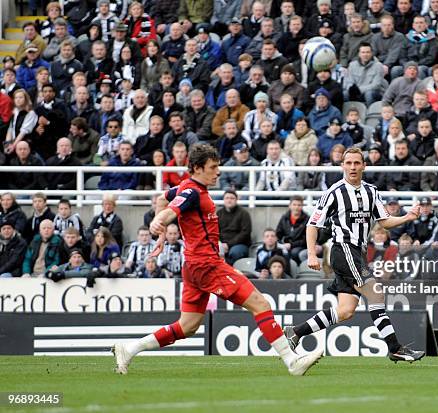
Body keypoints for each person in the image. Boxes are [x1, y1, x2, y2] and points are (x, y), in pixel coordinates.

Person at [114, 143, 323, 375]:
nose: (218, 172)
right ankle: (291, 361)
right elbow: (168, 210)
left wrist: (162, 231)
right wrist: (159, 222)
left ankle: (129, 349)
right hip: (207, 264)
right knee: (261, 304)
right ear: (197, 168)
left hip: (193, 266)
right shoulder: (191, 192)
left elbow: (162, 200)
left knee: (188, 326)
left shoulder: (187, 187)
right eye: (213, 167)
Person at [284, 147, 425, 362]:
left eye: (357, 163)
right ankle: (395, 348)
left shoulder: (371, 191)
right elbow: (313, 224)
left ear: (364, 166)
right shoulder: (334, 192)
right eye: (348, 163)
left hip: (358, 252)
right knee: (376, 294)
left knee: (346, 311)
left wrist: (407, 217)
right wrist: (312, 254)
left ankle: (296, 332)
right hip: (343, 250)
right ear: (342, 166)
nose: (352, 167)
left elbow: (384, 221)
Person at [217, 190, 252, 265]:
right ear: (223, 200)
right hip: (222, 244)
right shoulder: (219, 213)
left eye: (232, 198)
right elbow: (215, 231)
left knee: (235, 252)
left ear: (236, 200)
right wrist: (221, 244)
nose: (229, 200)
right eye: (227, 198)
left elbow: (245, 233)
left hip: (239, 244)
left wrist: (228, 244)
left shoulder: (243, 213)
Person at [275, 196, 310, 264]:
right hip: (285, 244)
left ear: (302, 206)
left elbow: (306, 239)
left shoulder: (307, 219)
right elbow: (278, 233)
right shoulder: (284, 218)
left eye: (299, 205)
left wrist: (291, 245)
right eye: (294, 204)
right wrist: (280, 244)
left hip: (300, 246)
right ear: (290, 206)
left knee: (294, 252)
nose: (296, 207)